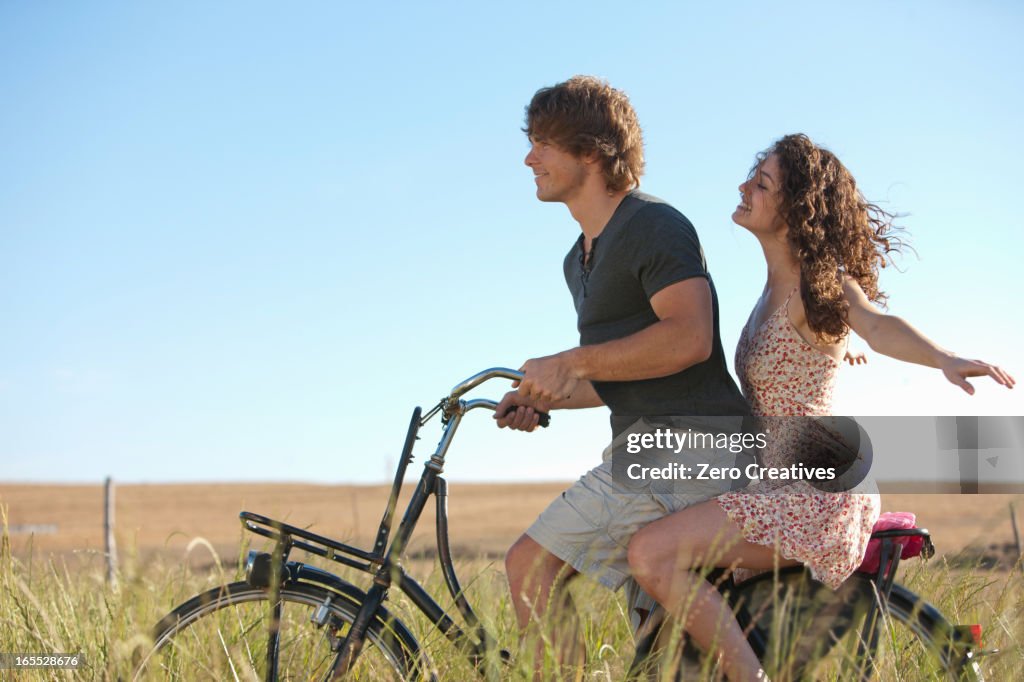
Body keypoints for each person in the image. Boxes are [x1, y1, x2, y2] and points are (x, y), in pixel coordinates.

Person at [626, 133, 1016, 681]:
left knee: (651, 554)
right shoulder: (770, 292)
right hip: (775, 479)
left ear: (795, 209)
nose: (743, 186)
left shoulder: (819, 284)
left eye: (761, 183)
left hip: (816, 494)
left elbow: (875, 324)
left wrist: (944, 357)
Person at [495, 75, 750, 675]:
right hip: (647, 449)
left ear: (592, 151)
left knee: (529, 564)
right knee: (659, 656)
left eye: (543, 143)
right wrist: (545, 397)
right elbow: (624, 372)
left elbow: (689, 336)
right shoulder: (576, 258)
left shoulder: (654, 225)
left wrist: (572, 361)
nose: (529, 157)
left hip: (692, 446)